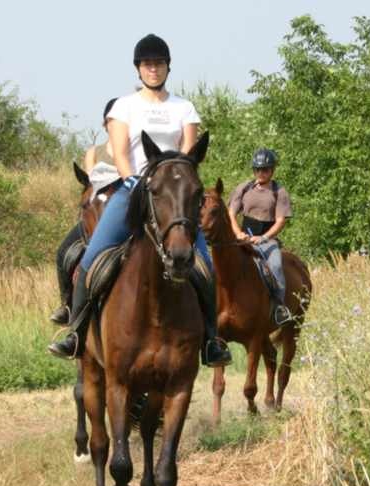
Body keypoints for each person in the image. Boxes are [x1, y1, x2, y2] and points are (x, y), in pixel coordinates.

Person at [48, 34, 232, 367]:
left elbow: (188, 155)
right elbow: (120, 152)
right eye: (147, 64)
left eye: (158, 63)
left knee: (204, 265)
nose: (153, 69)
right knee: (92, 256)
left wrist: (176, 182)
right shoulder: (124, 106)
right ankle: (76, 333)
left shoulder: (184, 108)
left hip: (173, 197)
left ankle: (210, 341)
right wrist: (132, 179)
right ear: (138, 68)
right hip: (133, 189)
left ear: (168, 67)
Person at [50, 98, 119, 325]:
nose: (115, 125)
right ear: (105, 124)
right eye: (111, 120)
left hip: (121, 211)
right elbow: (92, 183)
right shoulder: (94, 152)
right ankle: (67, 305)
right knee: (63, 252)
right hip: (96, 212)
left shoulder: (132, 152)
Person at [228, 148, 293, 325]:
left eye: (265, 169)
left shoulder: (279, 192)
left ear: (272, 170)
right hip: (243, 238)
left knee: (276, 266)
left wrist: (263, 237)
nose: (261, 173)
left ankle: (279, 306)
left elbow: (280, 221)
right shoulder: (244, 188)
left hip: (267, 239)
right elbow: (231, 213)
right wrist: (238, 233)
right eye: (257, 169)